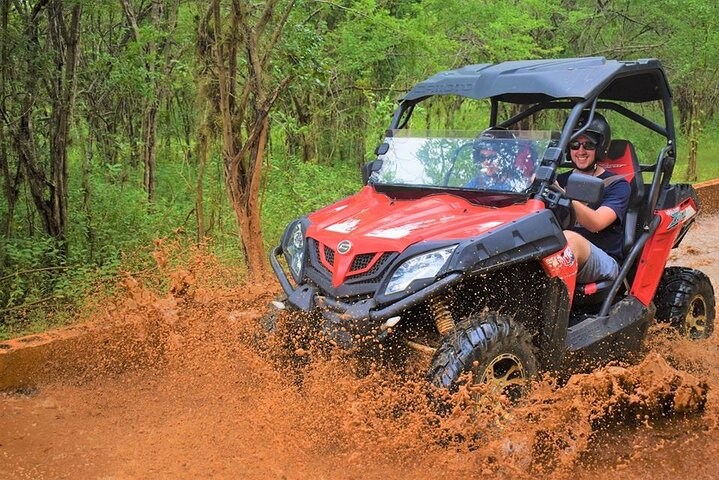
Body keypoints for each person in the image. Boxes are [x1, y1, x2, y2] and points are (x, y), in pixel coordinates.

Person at [557, 112, 631, 284]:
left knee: (570, 240)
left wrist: (563, 194)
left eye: (588, 145)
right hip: (558, 252)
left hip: (604, 260)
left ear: (600, 147)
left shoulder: (617, 184)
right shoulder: (559, 180)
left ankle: (551, 311)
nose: (580, 151)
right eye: (575, 144)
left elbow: (596, 223)